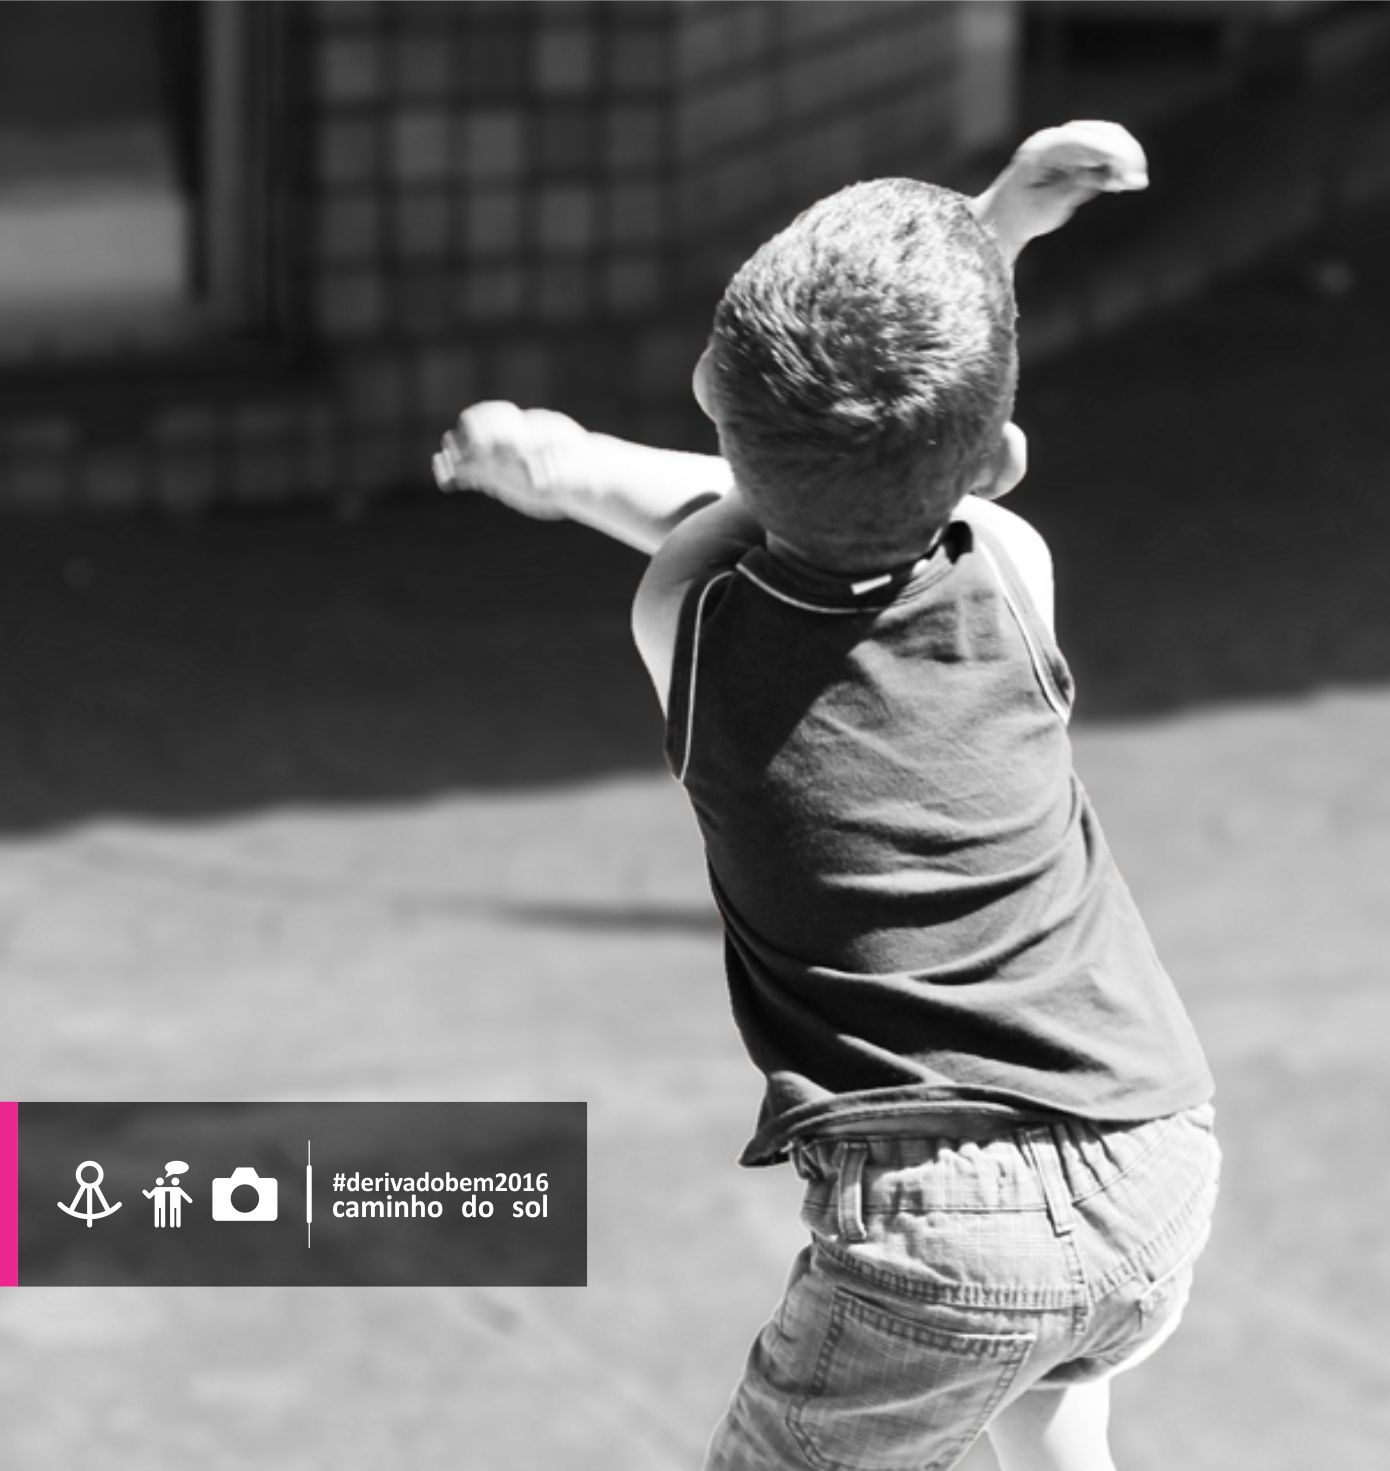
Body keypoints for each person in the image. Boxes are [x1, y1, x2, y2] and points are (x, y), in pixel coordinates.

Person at [435, 123, 1218, 1471]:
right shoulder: (1012, 569)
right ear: (997, 466)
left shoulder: (688, 615)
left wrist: (558, 468)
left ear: (709, 395)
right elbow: (887, 460)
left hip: (938, 1238)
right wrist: (998, 225)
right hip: (1149, 1149)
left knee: (983, 1342)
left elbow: (732, 496)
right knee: (1049, 1374)